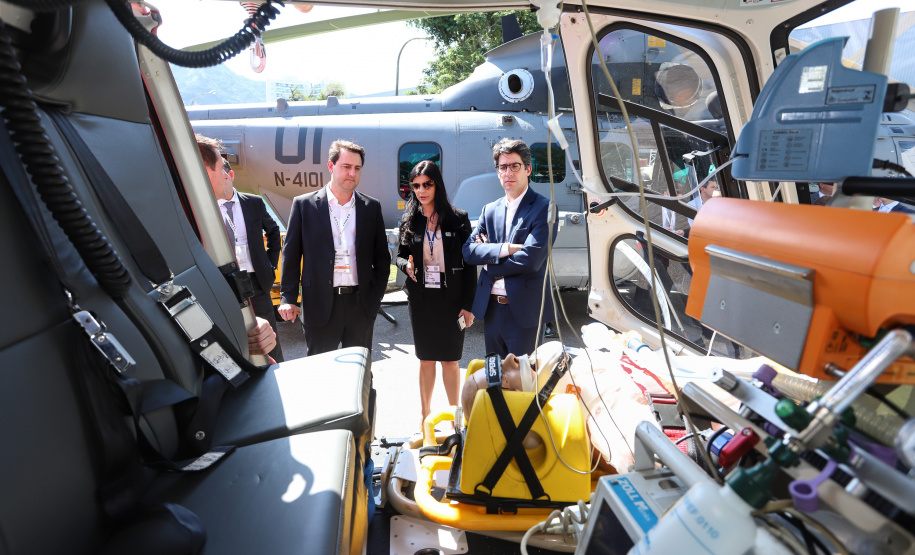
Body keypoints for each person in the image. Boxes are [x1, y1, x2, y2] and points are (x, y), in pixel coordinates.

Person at [278, 140, 390, 356]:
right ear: (331, 166)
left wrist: (374, 299)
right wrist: (288, 298)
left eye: (357, 168)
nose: (352, 173)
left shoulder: (371, 207)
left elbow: (382, 259)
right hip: (319, 304)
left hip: (360, 305)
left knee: (360, 373)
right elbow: (291, 255)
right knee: (321, 374)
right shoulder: (304, 205)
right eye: (346, 167)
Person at [396, 161, 476, 424]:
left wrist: (468, 305)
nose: (421, 190)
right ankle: (425, 417)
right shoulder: (410, 219)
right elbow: (399, 256)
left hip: (451, 300)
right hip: (421, 300)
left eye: (427, 184)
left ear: (437, 185)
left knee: (451, 361)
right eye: (416, 185)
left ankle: (456, 417)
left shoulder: (458, 219)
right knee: (426, 359)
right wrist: (404, 264)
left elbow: (469, 266)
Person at [462, 138, 557, 358]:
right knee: (495, 379)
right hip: (492, 309)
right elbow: (468, 251)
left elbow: (531, 259)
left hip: (524, 313)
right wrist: (505, 249)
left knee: (523, 382)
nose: (508, 173)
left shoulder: (545, 208)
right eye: (503, 167)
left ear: (528, 169)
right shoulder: (489, 210)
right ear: (497, 171)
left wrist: (489, 264)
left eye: (515, 166)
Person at [196, 134, 283, 362]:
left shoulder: (252, 203)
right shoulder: (204, 208)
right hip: (228, 284)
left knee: (268, 340)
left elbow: (274, 232)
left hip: (257, 281)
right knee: (241, 341)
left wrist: (270, 264)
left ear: (230, 175)